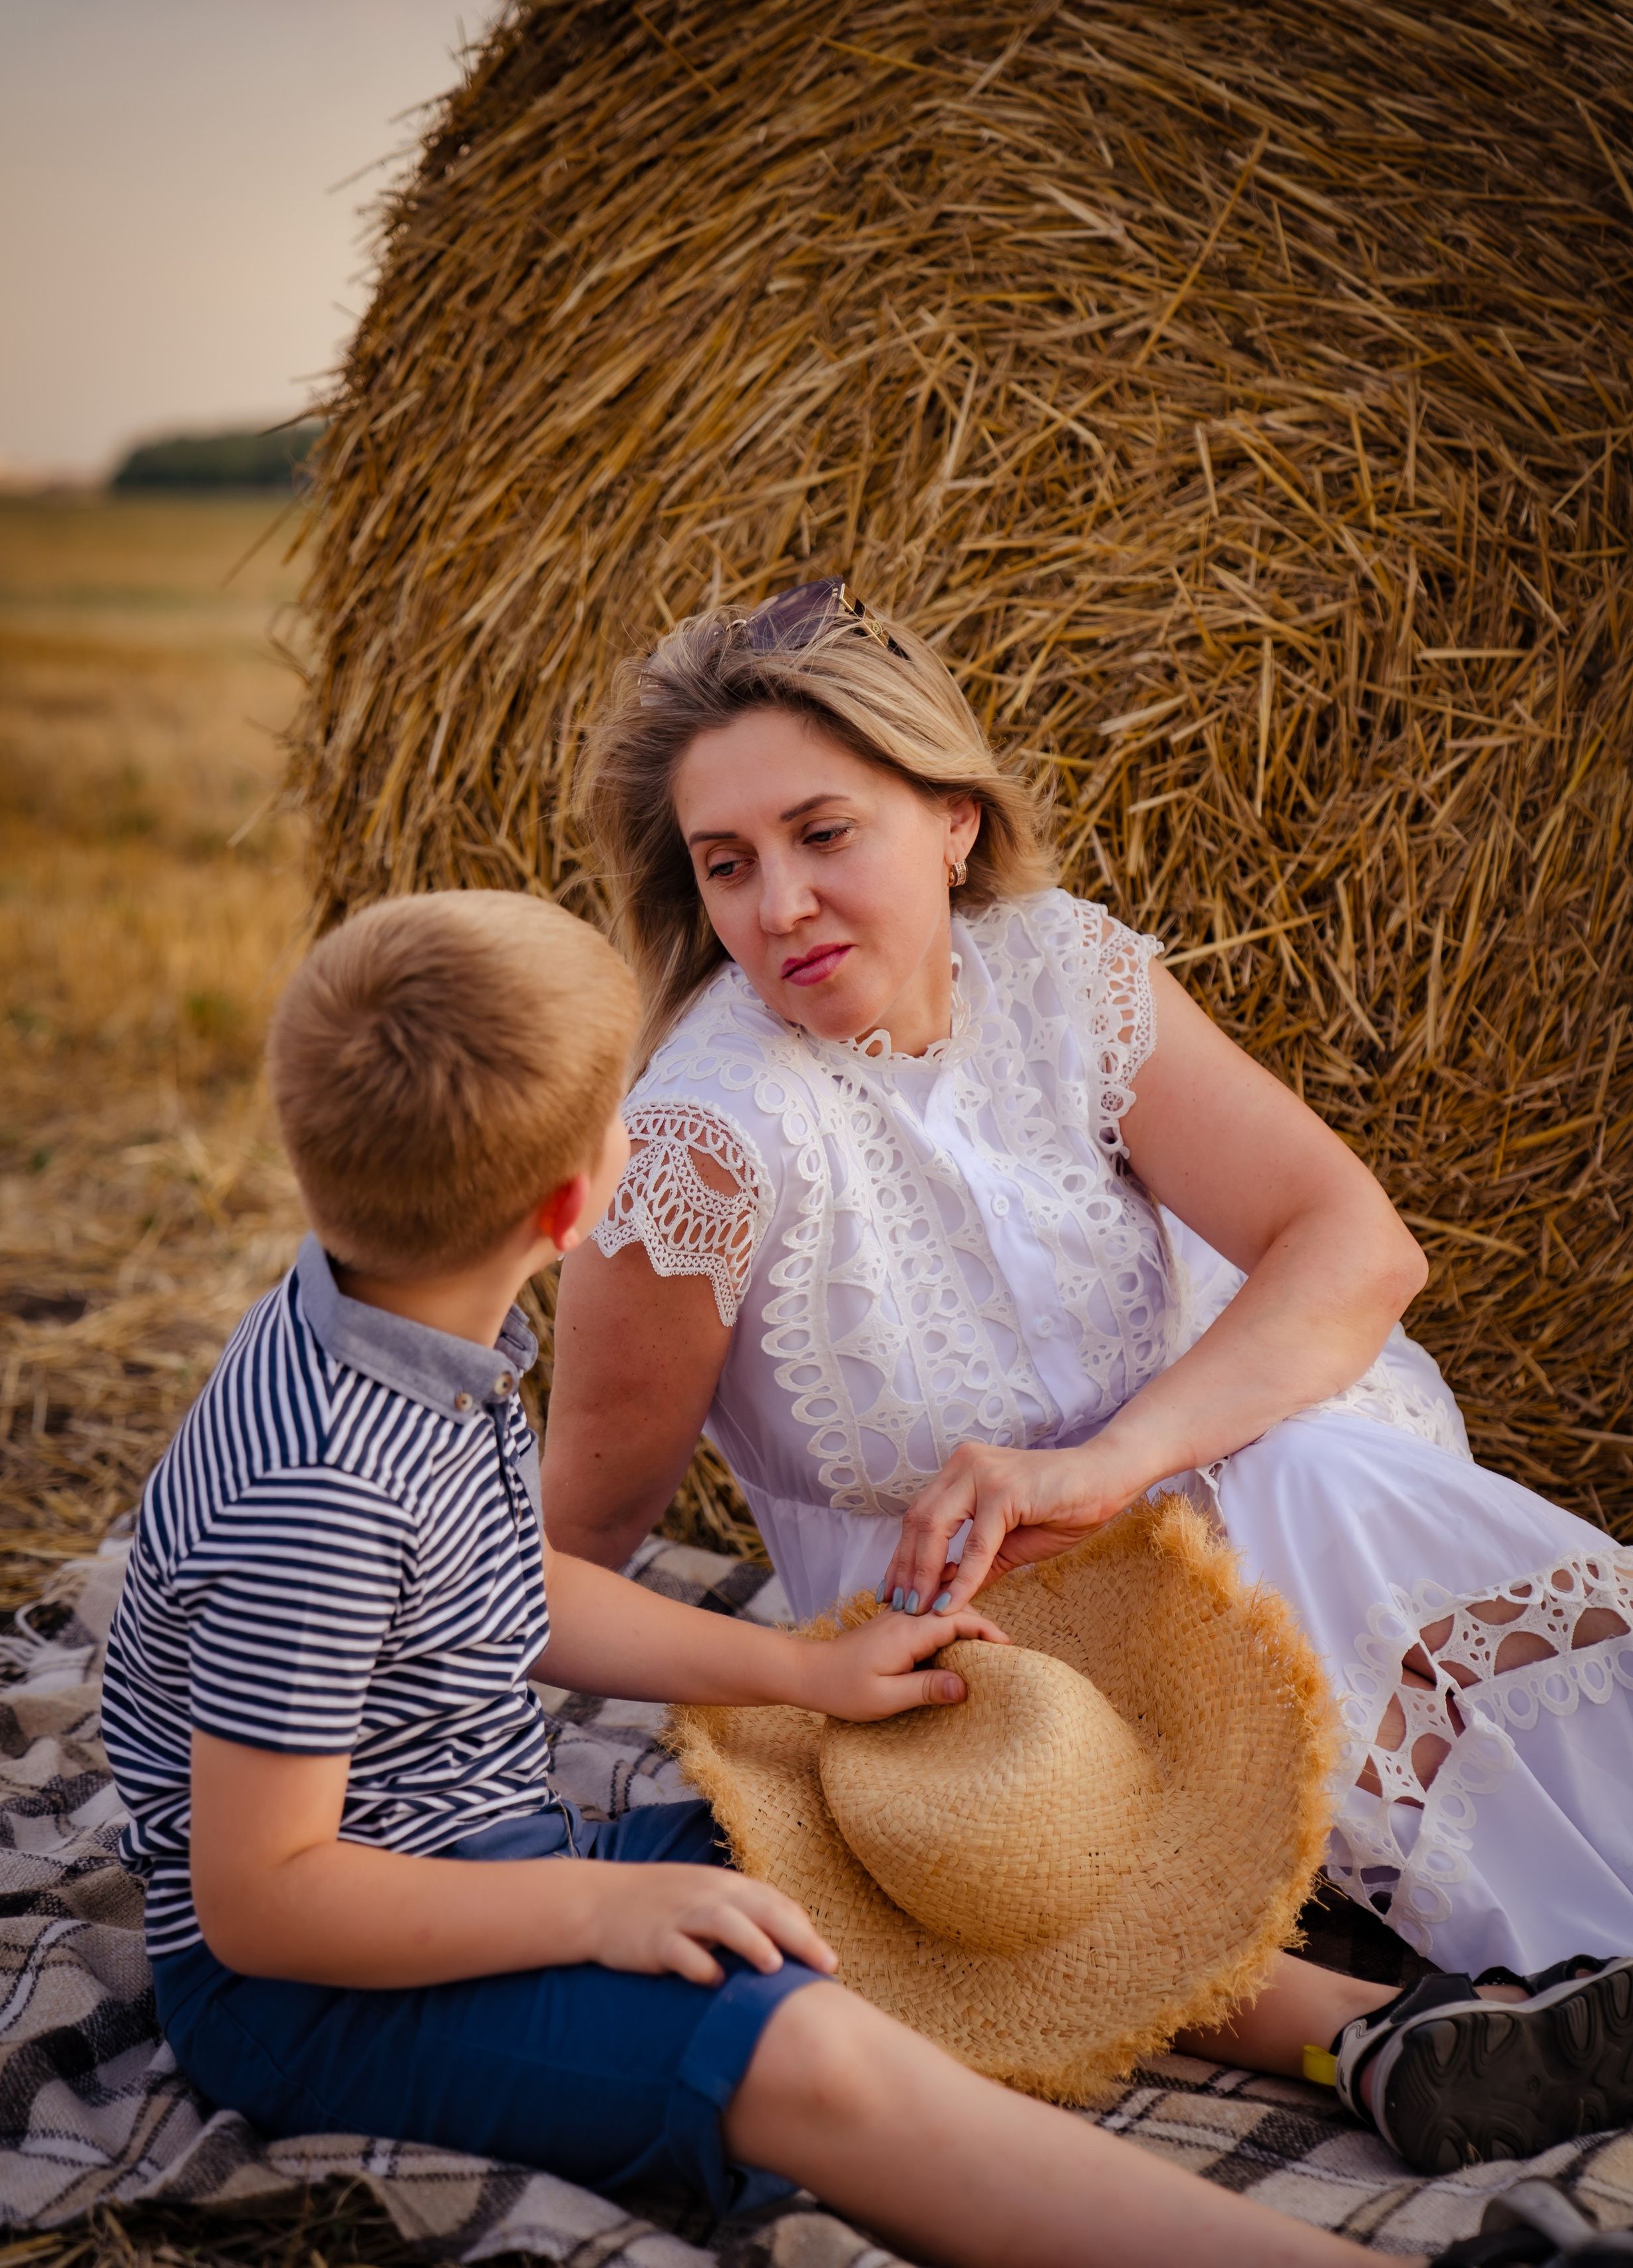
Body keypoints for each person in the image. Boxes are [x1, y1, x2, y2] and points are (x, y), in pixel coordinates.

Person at [99, 887, 1421, 2268]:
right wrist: (603, 1907)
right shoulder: (324, 1490)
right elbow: (266, 1900)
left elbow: (499, 1589)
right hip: (319, 1990)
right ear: (578, 1202)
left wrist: (797, 1673)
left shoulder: (385, 1317)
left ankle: (1363, 2035)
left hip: (479, 1863)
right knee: (811, 2057)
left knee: (897, 1842)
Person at [543, 577, 1633, 2154]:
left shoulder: (1060, 974)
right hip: (996, 1663)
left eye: (822, 832)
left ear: (953, 822)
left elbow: (1351, 1241)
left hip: (1253, 1496)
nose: (776, 902)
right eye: (727, 865)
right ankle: (1479, 1996)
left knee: (1300, 1467)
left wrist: (1108, 1462)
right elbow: (562, 1544)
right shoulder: (706, 1145)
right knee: (1276, 1495)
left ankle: (1508, 1957)